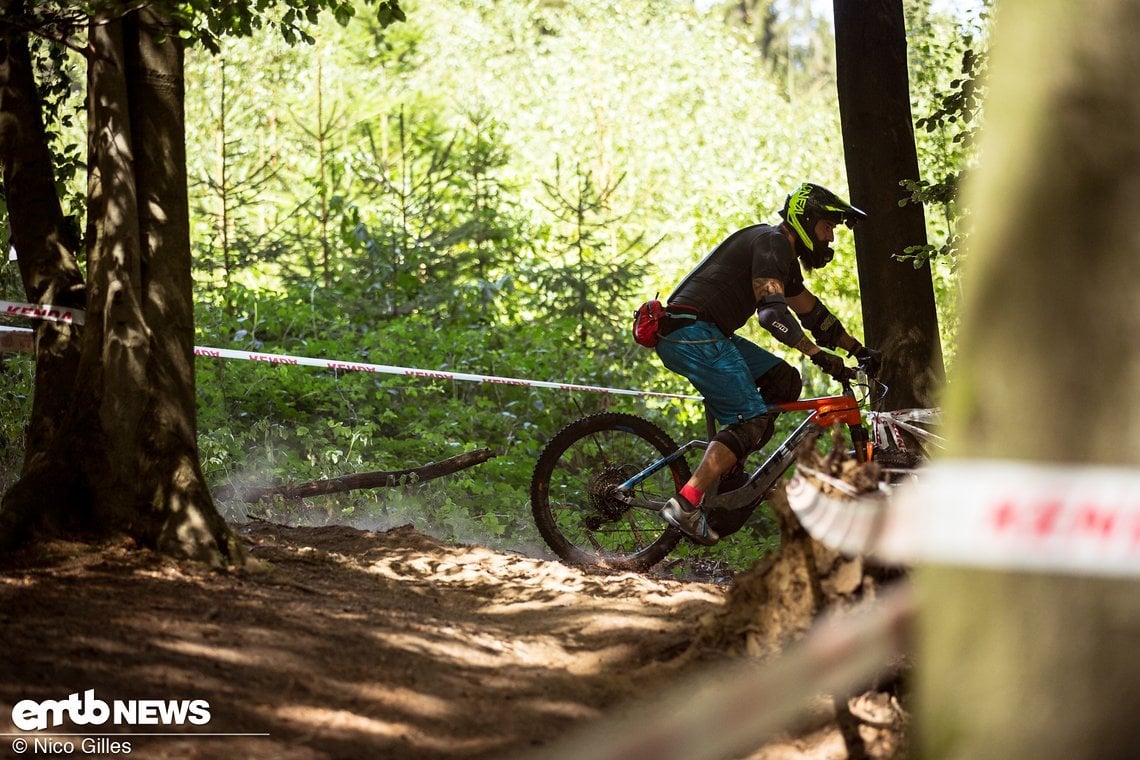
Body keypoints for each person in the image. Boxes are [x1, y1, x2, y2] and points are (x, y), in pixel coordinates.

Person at [653, 182, 880, 545]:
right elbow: (772, 313)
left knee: (783, 382)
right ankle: (688, 501)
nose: (830, 238)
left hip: (705, 331)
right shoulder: (772, 242)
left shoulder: (781, 256)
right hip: (690, 333)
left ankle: (729, 470)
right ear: (805, 221)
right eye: (827, 227)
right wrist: (820, 357)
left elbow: (813, 313)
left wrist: (858, 349)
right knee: (753, 421)